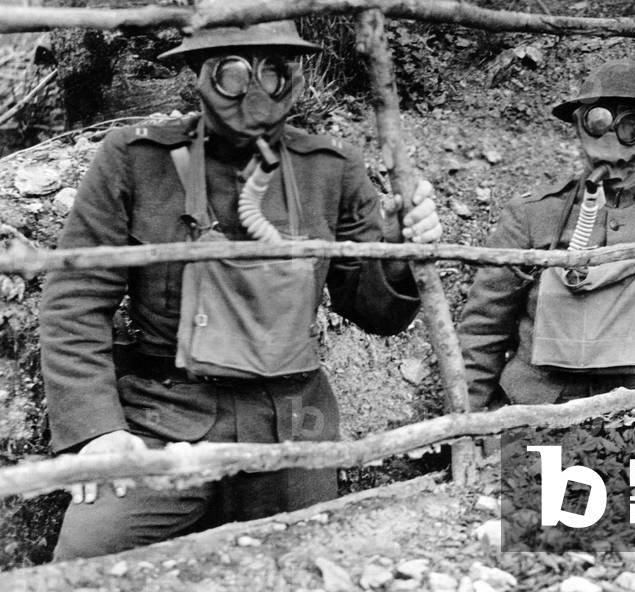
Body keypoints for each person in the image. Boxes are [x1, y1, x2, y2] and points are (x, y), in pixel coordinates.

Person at [39, 21, 442, 560]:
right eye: (232, 72)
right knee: (78, 571)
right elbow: (75, 300)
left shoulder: (331, 170)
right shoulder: (137, 160)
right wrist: (98, 431)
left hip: (293, 425)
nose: (254, 91)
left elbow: (373, 311)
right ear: (199, 77)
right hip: (165, 418)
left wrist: (397, 254)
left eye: (273, 71)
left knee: (308, 571)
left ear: (296, 78)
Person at [458, 60, 635, 410]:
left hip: (631, 418)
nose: (615, 152)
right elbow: (483, 331)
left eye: (633, 125)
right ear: (580, 129)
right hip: (533, 412)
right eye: (600, 122)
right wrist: (468, 426)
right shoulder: (531, 216)